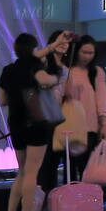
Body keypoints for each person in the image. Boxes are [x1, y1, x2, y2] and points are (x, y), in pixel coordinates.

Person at [0, 32, 62, 211]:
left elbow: (2, 101)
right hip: (36, 124)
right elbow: (49, 81)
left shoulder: (8, 70)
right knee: (32, 173)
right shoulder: (35, 69)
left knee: (22, 171)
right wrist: (55, 75)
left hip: (16, 124)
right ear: (34, 50)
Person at [64, 35, 106, 181]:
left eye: (91, 53)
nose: (87, 56)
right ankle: (70, 199)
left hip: (90, 127)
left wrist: (104, 123)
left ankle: (87, 199)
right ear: (76, 51)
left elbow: (102, 99)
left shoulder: (96, 72)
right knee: (69, 167)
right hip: (69, 126)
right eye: (84, 52)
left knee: (87, 167)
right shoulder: (66, 70)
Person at [38, 29, 73, 194]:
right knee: (43, 163)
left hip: (59, 119)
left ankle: (50, 203)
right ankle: (39, 203)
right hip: (42, 118)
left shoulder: (66, 69)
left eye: (67, 43)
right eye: (61, 41)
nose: (64, 45)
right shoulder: (43, 62)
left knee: (53, 162)